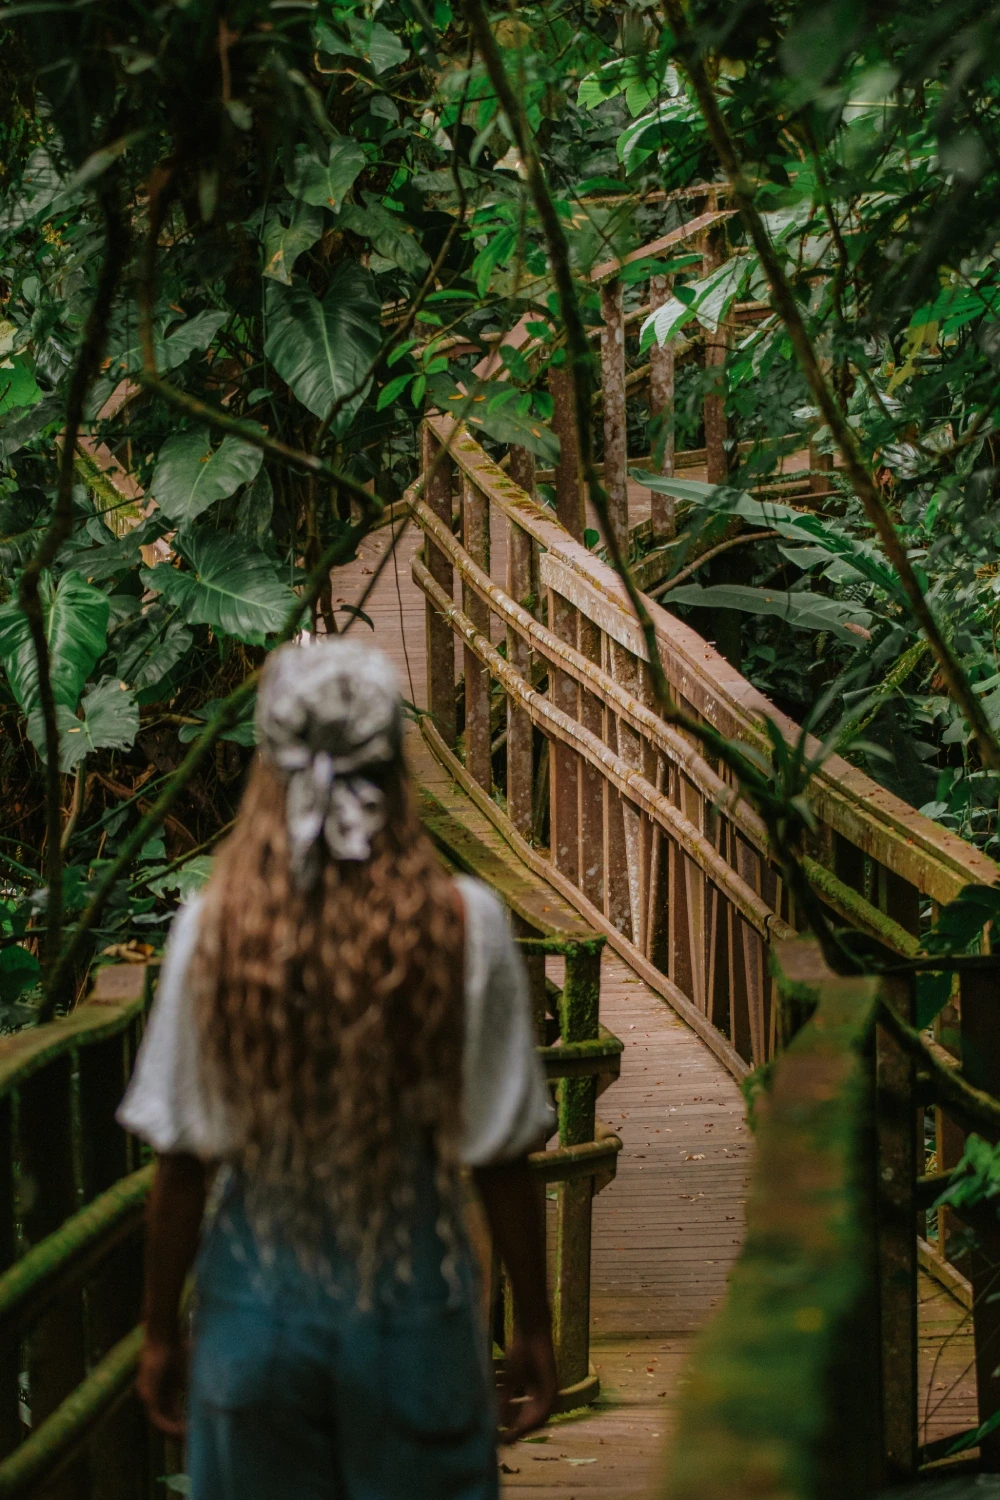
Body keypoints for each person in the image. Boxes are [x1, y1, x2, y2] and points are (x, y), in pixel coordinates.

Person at [117, 636, 559, 1500]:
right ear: (395, 767)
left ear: (269, 769)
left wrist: (160, 1331)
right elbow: (500, 1153)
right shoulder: (463, 923)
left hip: (254, 1327)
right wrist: (533, 1325)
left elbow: (184, 1156)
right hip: (414, 1325)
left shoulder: (215, 929)